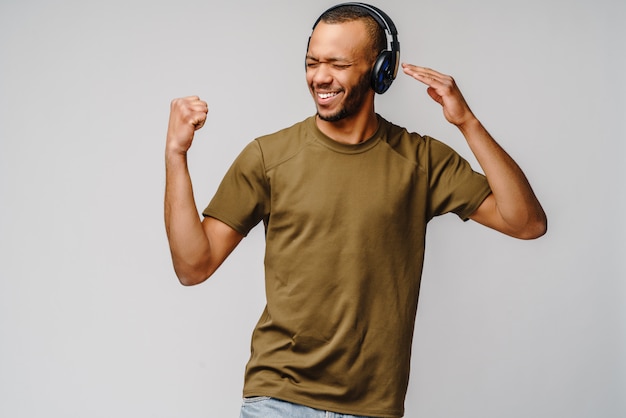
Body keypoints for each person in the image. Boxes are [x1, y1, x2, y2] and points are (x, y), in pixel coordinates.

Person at [164, 3, 547, 418]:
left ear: (381, 70)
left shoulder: (422, 160)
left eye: (338, 63)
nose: (320, 76)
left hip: (374, 408)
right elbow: (193, 266)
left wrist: (467, 122)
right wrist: (175, 154)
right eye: (312, 62)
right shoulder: (267, 157)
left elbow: (526, 223)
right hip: (279, 400)